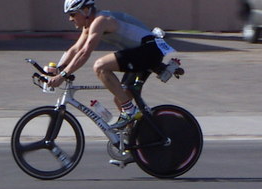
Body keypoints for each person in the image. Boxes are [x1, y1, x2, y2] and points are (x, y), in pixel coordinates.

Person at [48, 0, 176, 127]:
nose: (70, 19)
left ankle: (131, 112)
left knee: (100, 66)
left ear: (85, 11)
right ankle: (133, 140)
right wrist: (59, 69)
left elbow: (84, 52)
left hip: (149, 50)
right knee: (121, 98)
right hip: (144, 52)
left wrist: (62, 75)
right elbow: (75, 49)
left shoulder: (101, 21)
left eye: (73, 14)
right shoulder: (89, 26)